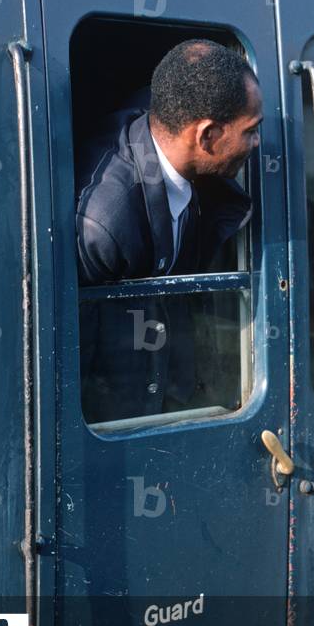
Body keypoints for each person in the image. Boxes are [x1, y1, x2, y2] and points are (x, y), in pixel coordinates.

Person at [75, 39, 263, 422]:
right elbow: (86, 357)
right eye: (250, 131)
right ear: (206, 135)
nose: (258, 142)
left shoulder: (170, 124)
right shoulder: (104, 226)